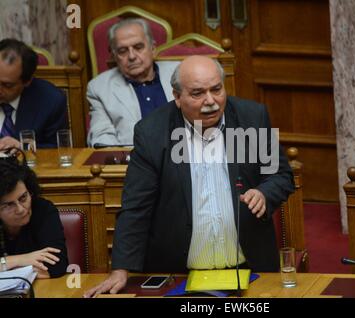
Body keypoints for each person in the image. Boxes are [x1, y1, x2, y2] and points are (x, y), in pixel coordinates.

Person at [84, 55, 294, 297]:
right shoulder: (153, 132)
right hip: (180, 274)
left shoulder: (250, 119)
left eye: (217, 89)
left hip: (249, 268)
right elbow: (136, 206)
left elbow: (281, 174)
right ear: (176, 96)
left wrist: (264, 192)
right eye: (197, 93)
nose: (211, 101)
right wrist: (121, 269)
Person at [87, 18, 176, 147]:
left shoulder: (181, 72)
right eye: (122, 51)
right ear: (114, 56)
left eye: (138, 47)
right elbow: (102, 137)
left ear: (153, 48)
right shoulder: (99, 88)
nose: (132, 56)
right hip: (134, 161)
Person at [0, 155, 68, 278]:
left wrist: (4, 267)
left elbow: (57, 266)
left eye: (23, 198)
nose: (21, 209)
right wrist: (19, 260)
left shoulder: (43, 209)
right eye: (9, 205)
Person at [0, 39, 68, 151]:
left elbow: (57, 149)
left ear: (27, 81)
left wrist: (23, 147)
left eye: (7, 85)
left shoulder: (50, 100)